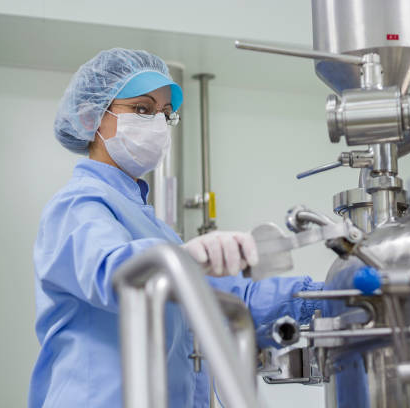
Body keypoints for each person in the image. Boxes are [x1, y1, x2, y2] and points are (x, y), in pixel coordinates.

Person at [29, 48, 324, 407]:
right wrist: (183, 258)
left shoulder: (153, 227)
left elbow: (232, 298)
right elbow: (114, 273)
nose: (157, 123)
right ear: (92, 116)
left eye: (165, 114)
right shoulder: (77, 205)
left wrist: (323, 295)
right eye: (142, 109)